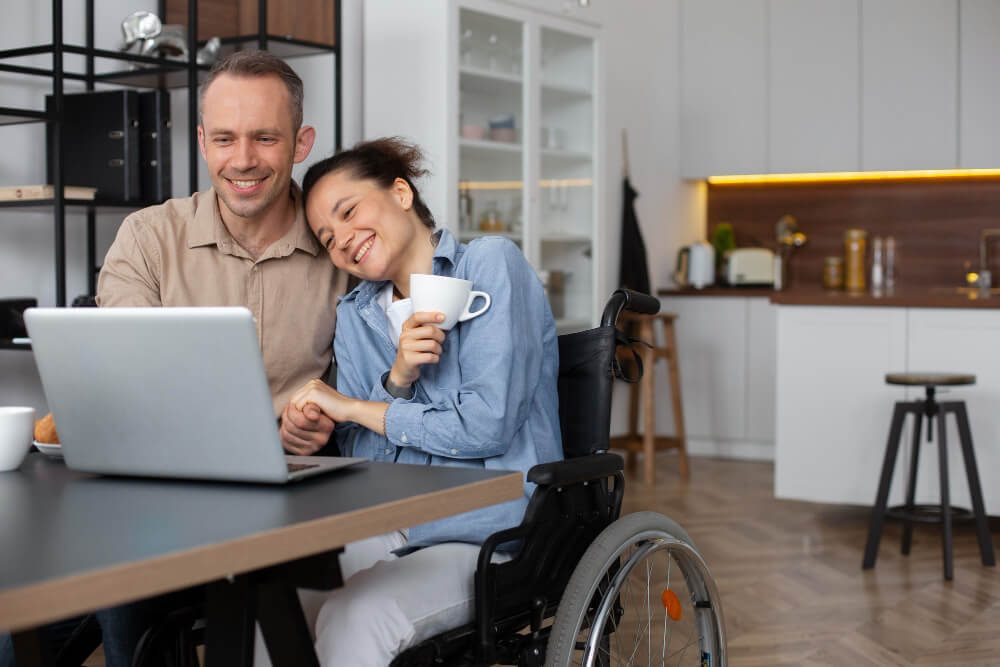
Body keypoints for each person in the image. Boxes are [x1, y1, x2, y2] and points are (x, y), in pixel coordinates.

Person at [0, 50, 347, 667]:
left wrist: (326, 415)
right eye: (224, 138)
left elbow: (368, 392)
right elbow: (128, 378)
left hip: (284, 499)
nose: (242, 159)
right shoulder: (148, 236)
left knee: (117, 564)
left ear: (301, 143)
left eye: (265, 137)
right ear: (201, 142)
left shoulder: (340, 248)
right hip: (149, 491)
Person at [272, 137, 562, 665]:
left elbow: (488, 427)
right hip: (394, 523)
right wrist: (398, 378)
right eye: (327, 237)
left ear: (401, 192)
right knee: (271, 595)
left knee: (354, 619)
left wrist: (356, 407)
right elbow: (370, 463)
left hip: (488, 533)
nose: (343, 242)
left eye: (349, 211)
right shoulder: (356, 316)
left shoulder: (491, 266)